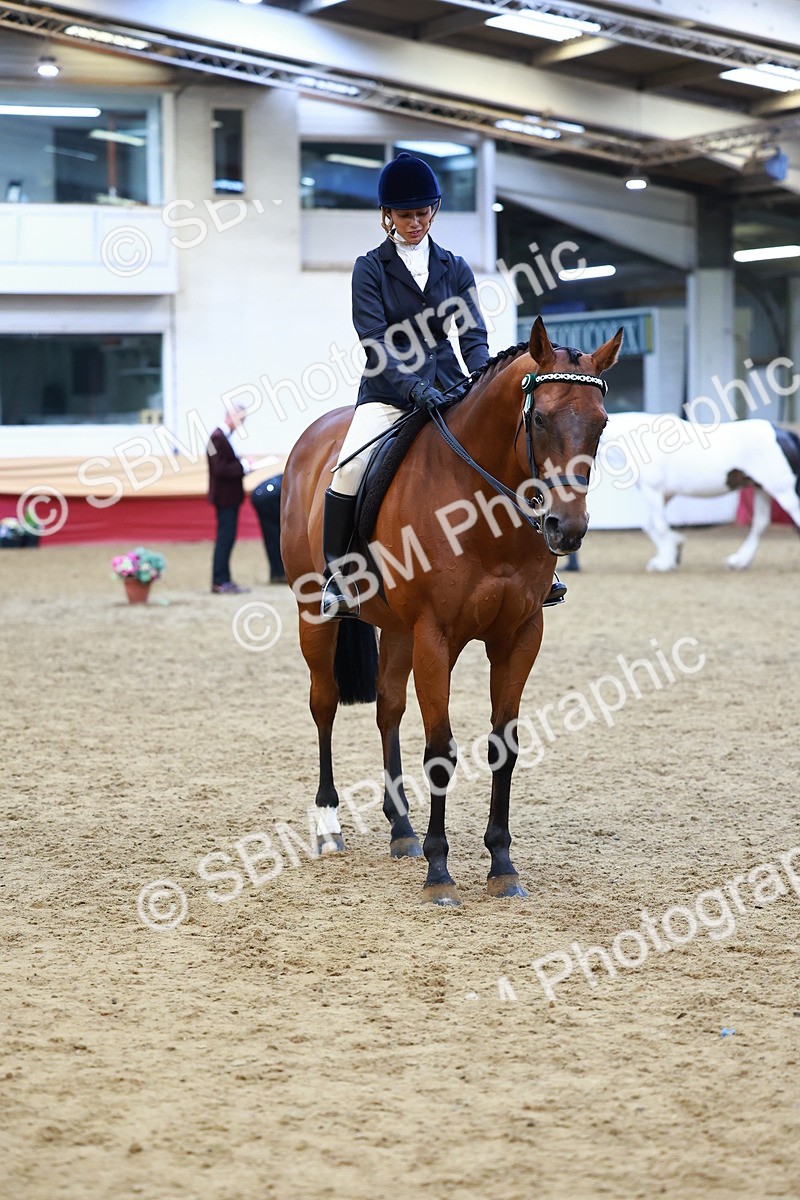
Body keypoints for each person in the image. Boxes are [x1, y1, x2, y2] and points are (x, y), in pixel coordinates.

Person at [320, 152, 567, 619]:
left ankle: (540, 568)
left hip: (453, 386)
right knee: (348, 470)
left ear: (433, 211)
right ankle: (339, 575)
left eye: (422, 212)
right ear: (387, 216)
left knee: (513, 451)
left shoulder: (454, 267)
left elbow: (472, 336)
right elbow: (374, 341)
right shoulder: (369, 268)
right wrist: (412, 387)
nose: (414, 223)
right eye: (404, 214)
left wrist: (480, 382)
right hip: (389, 392)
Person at [207, 400, 252, 595]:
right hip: (225, 498)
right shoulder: (217, 438)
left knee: (227, 538)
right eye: (241, 419)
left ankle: (223, 579)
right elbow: (220, 469)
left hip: (228, 498)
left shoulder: (220, 437)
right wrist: (245, 467)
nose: (242, 424)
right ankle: (220, 581)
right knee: (225, 539)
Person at [250, 473, 286, 582]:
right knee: (277, 537)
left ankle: (277, 573)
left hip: (262, 496)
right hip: (269, 498)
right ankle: (279, 573)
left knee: (272, 537)